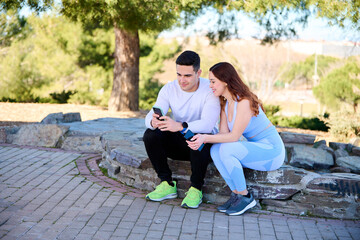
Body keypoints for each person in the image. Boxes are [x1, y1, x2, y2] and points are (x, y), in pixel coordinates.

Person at [187, 62, 285, 215]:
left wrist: (205, 137)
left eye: (213, 81)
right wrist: (200, 138)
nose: (210, 85)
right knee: (216, 149)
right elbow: (222, 135)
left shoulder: (244, 102)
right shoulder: (225, 104)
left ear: (225, 81)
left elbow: (233, 137)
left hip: (272, 152)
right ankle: (236, 194)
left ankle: (245, 196)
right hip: (257, 149)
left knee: (226, 148)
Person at [143, 50, 220, 209]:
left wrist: (180, 126)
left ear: (198, 72)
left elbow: (207, 124)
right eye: (179, 74)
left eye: (187, 76)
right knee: (150, 135)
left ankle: (196, 189)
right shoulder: (169, 89)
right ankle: (167, 184)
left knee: (198, 136)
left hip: (205, 146)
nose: (182, 80)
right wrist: (153, 121)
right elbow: (151, 114)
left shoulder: (209, 89)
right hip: (179, 144)